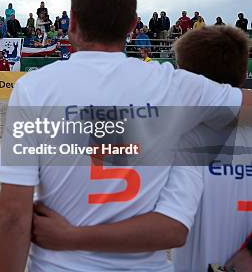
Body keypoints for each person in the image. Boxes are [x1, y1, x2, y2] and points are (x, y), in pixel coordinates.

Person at [0, 0, 251, 272]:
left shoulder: (33, 89)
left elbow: (13, 215)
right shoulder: (174, 86)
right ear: (132, 26)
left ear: (72, 21)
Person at [30, 25, 252, 272]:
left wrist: (71, 236)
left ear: (184, 76)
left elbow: (168, 229)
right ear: (243, 73)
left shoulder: (181, 136)